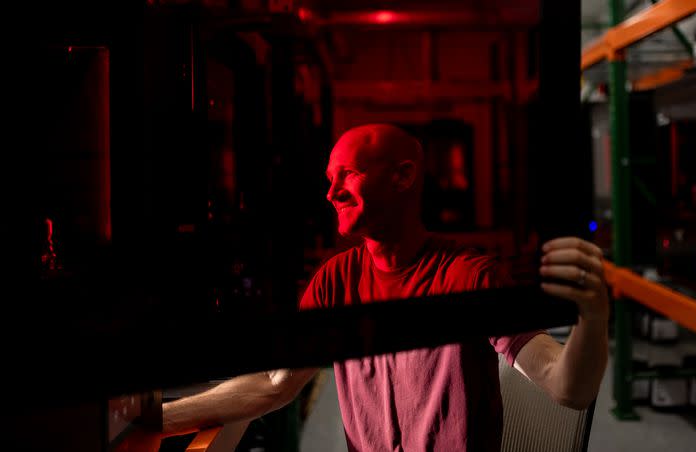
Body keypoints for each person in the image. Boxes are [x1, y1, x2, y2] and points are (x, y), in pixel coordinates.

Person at [162, 124, 609, 451]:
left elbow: (567, 388)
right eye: (329, 180)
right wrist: (158, 419)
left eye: (348, 175)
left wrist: (592, 316)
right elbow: (275, 382)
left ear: (402, 176)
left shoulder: (470, 277)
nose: (331, 193)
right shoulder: (335, 280)